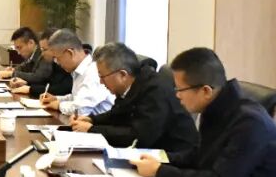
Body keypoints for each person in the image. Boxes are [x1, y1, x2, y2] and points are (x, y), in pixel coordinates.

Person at [131, 48, 276, 177]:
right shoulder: (216, 109)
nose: (177, 95)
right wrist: (161, 158)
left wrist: (159, 171)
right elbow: (200, 155)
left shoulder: (250, 123)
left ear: (205, 91)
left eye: (180, 89)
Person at [69, 42, 198, 152]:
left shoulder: (155, 91)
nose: (101, 82)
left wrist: (92, 129)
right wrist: (91, 120)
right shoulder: (133, 84)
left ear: (122, 75)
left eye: (102, 76)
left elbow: (138, 137)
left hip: (174, 157)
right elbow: (117, 114)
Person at [38, 29, 114, 116]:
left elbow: (81, 109)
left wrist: (59, 105)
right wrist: (56, 99)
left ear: (70, 53)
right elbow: (76, 98)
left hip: (100, 123)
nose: (57, 62)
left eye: (57, 58)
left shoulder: (93, 73)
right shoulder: (79, 71)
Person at [8, 28, 72, 96]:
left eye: (44, 50)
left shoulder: (69, 66)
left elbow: (63, 89)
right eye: (42, 49)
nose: (42, 54)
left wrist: (31, 89)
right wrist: (26, 84)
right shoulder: (55, 62)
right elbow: (49, 84)